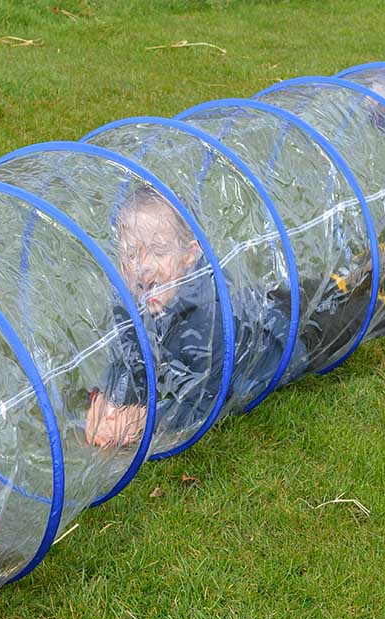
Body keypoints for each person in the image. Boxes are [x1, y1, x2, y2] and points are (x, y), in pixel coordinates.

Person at [85, 188, 307, 449]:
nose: (144, 268)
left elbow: (203, 403)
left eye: (158, 251)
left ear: (189, 255)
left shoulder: (208, 321)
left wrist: (143, 420)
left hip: (284, 331)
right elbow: (129, 360)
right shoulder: (133, 302)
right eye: (132, 254)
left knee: (338, 300)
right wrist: (106, 402)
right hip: (252, 302)